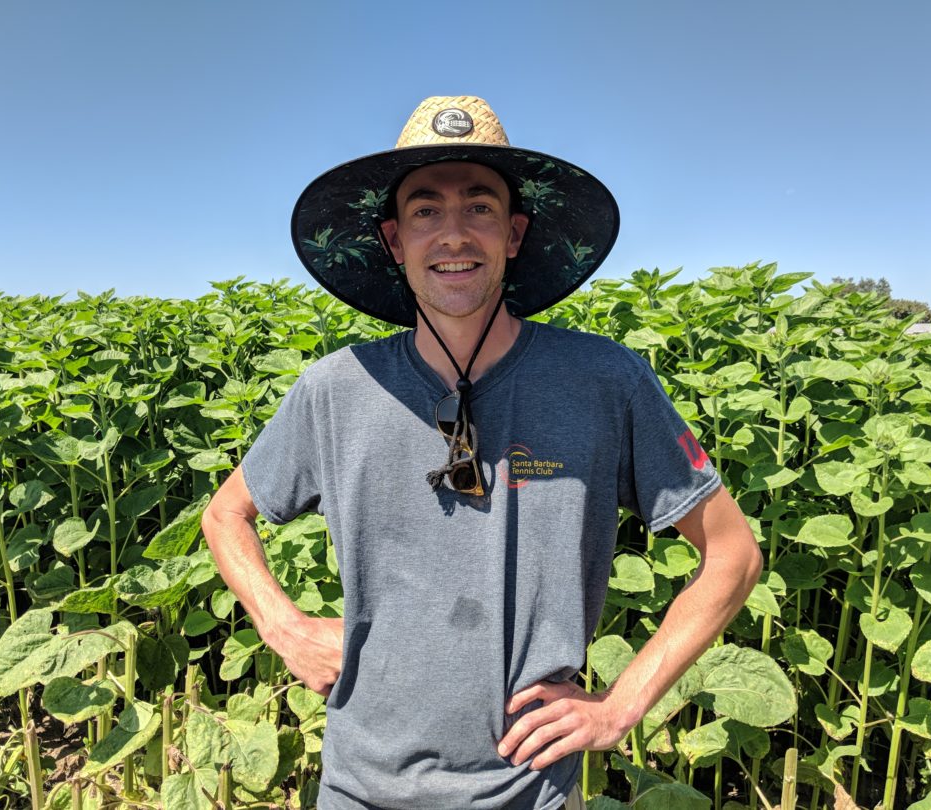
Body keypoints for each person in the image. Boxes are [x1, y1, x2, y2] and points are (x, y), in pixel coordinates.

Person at [202, 95, 762, 810]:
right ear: (394, 240)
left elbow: (733, 553)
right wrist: (283, 627)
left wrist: (622, 706)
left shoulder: (604, 381)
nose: (453, 234)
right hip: (357, 784)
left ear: (515, 233)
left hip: (525, 789)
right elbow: (225, 515)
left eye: (480, 207)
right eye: (425, 210)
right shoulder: (336, 388)